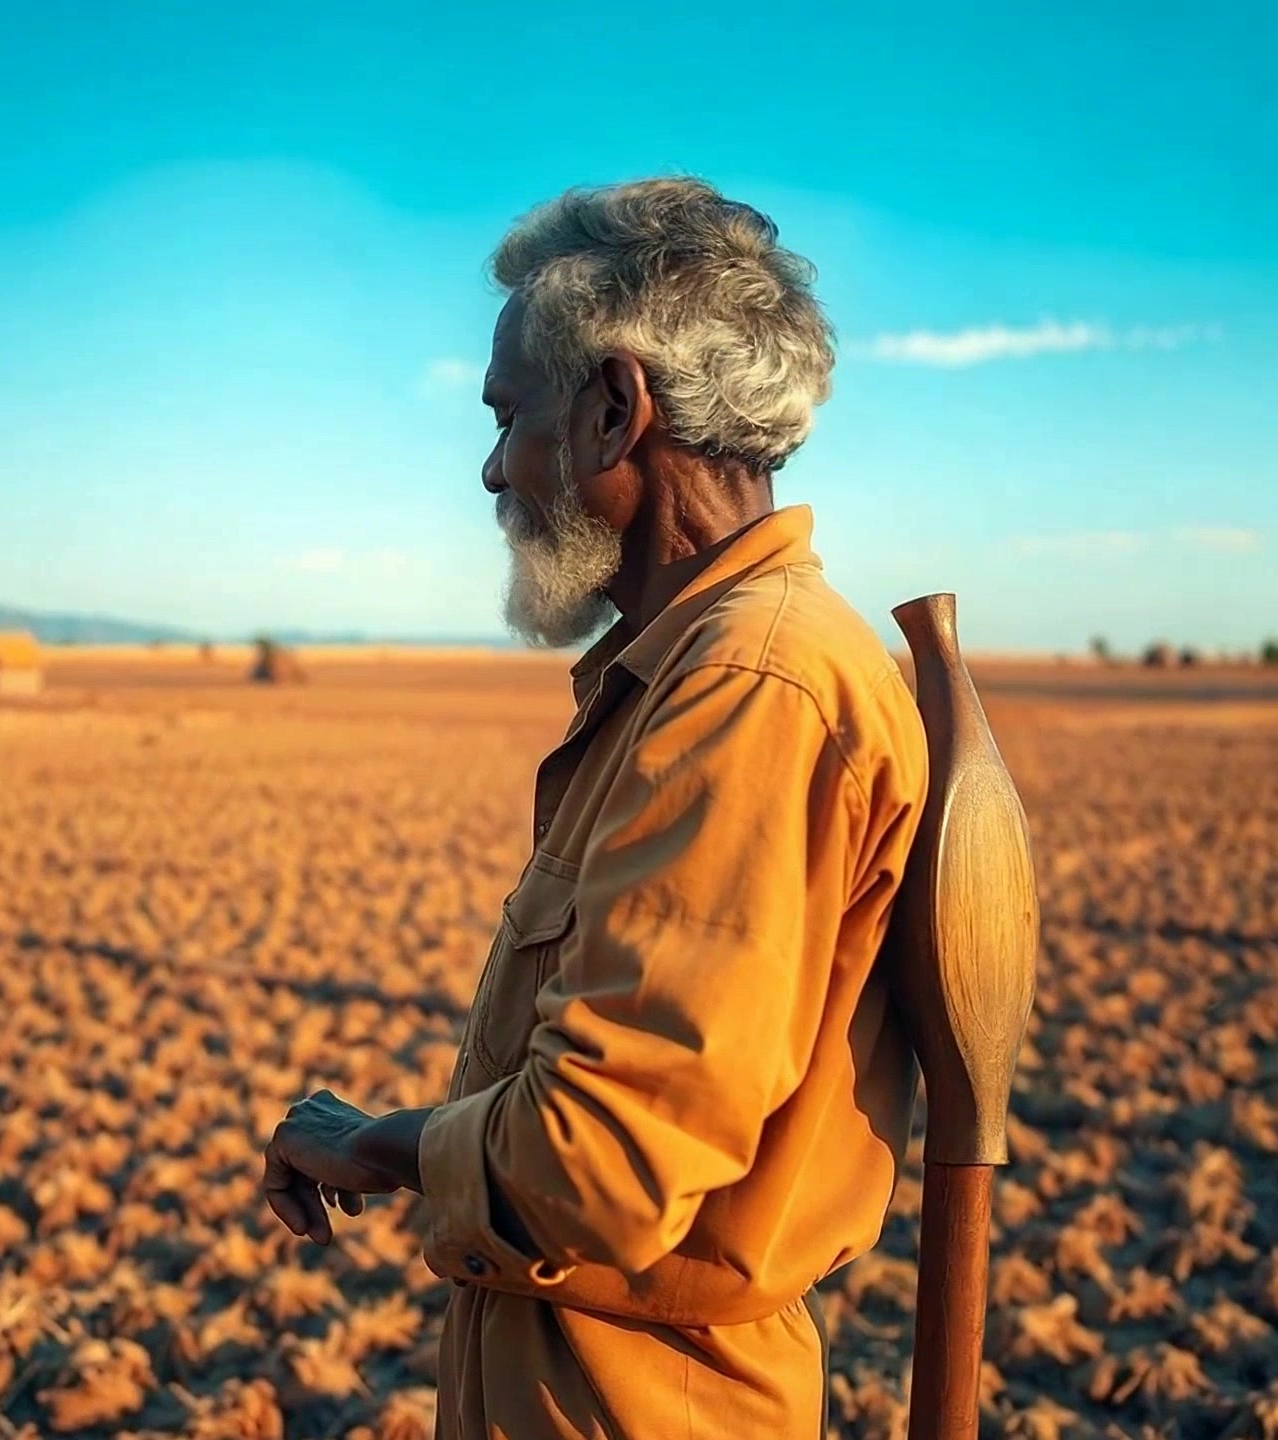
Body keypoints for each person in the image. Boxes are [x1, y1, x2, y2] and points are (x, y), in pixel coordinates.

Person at [263, 176, 929, 1439]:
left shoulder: (750, 688)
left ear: (614, 412)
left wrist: (381, 1145)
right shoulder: (705, 665)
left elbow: (599, 1161)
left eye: (508, 415)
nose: (490, 468)